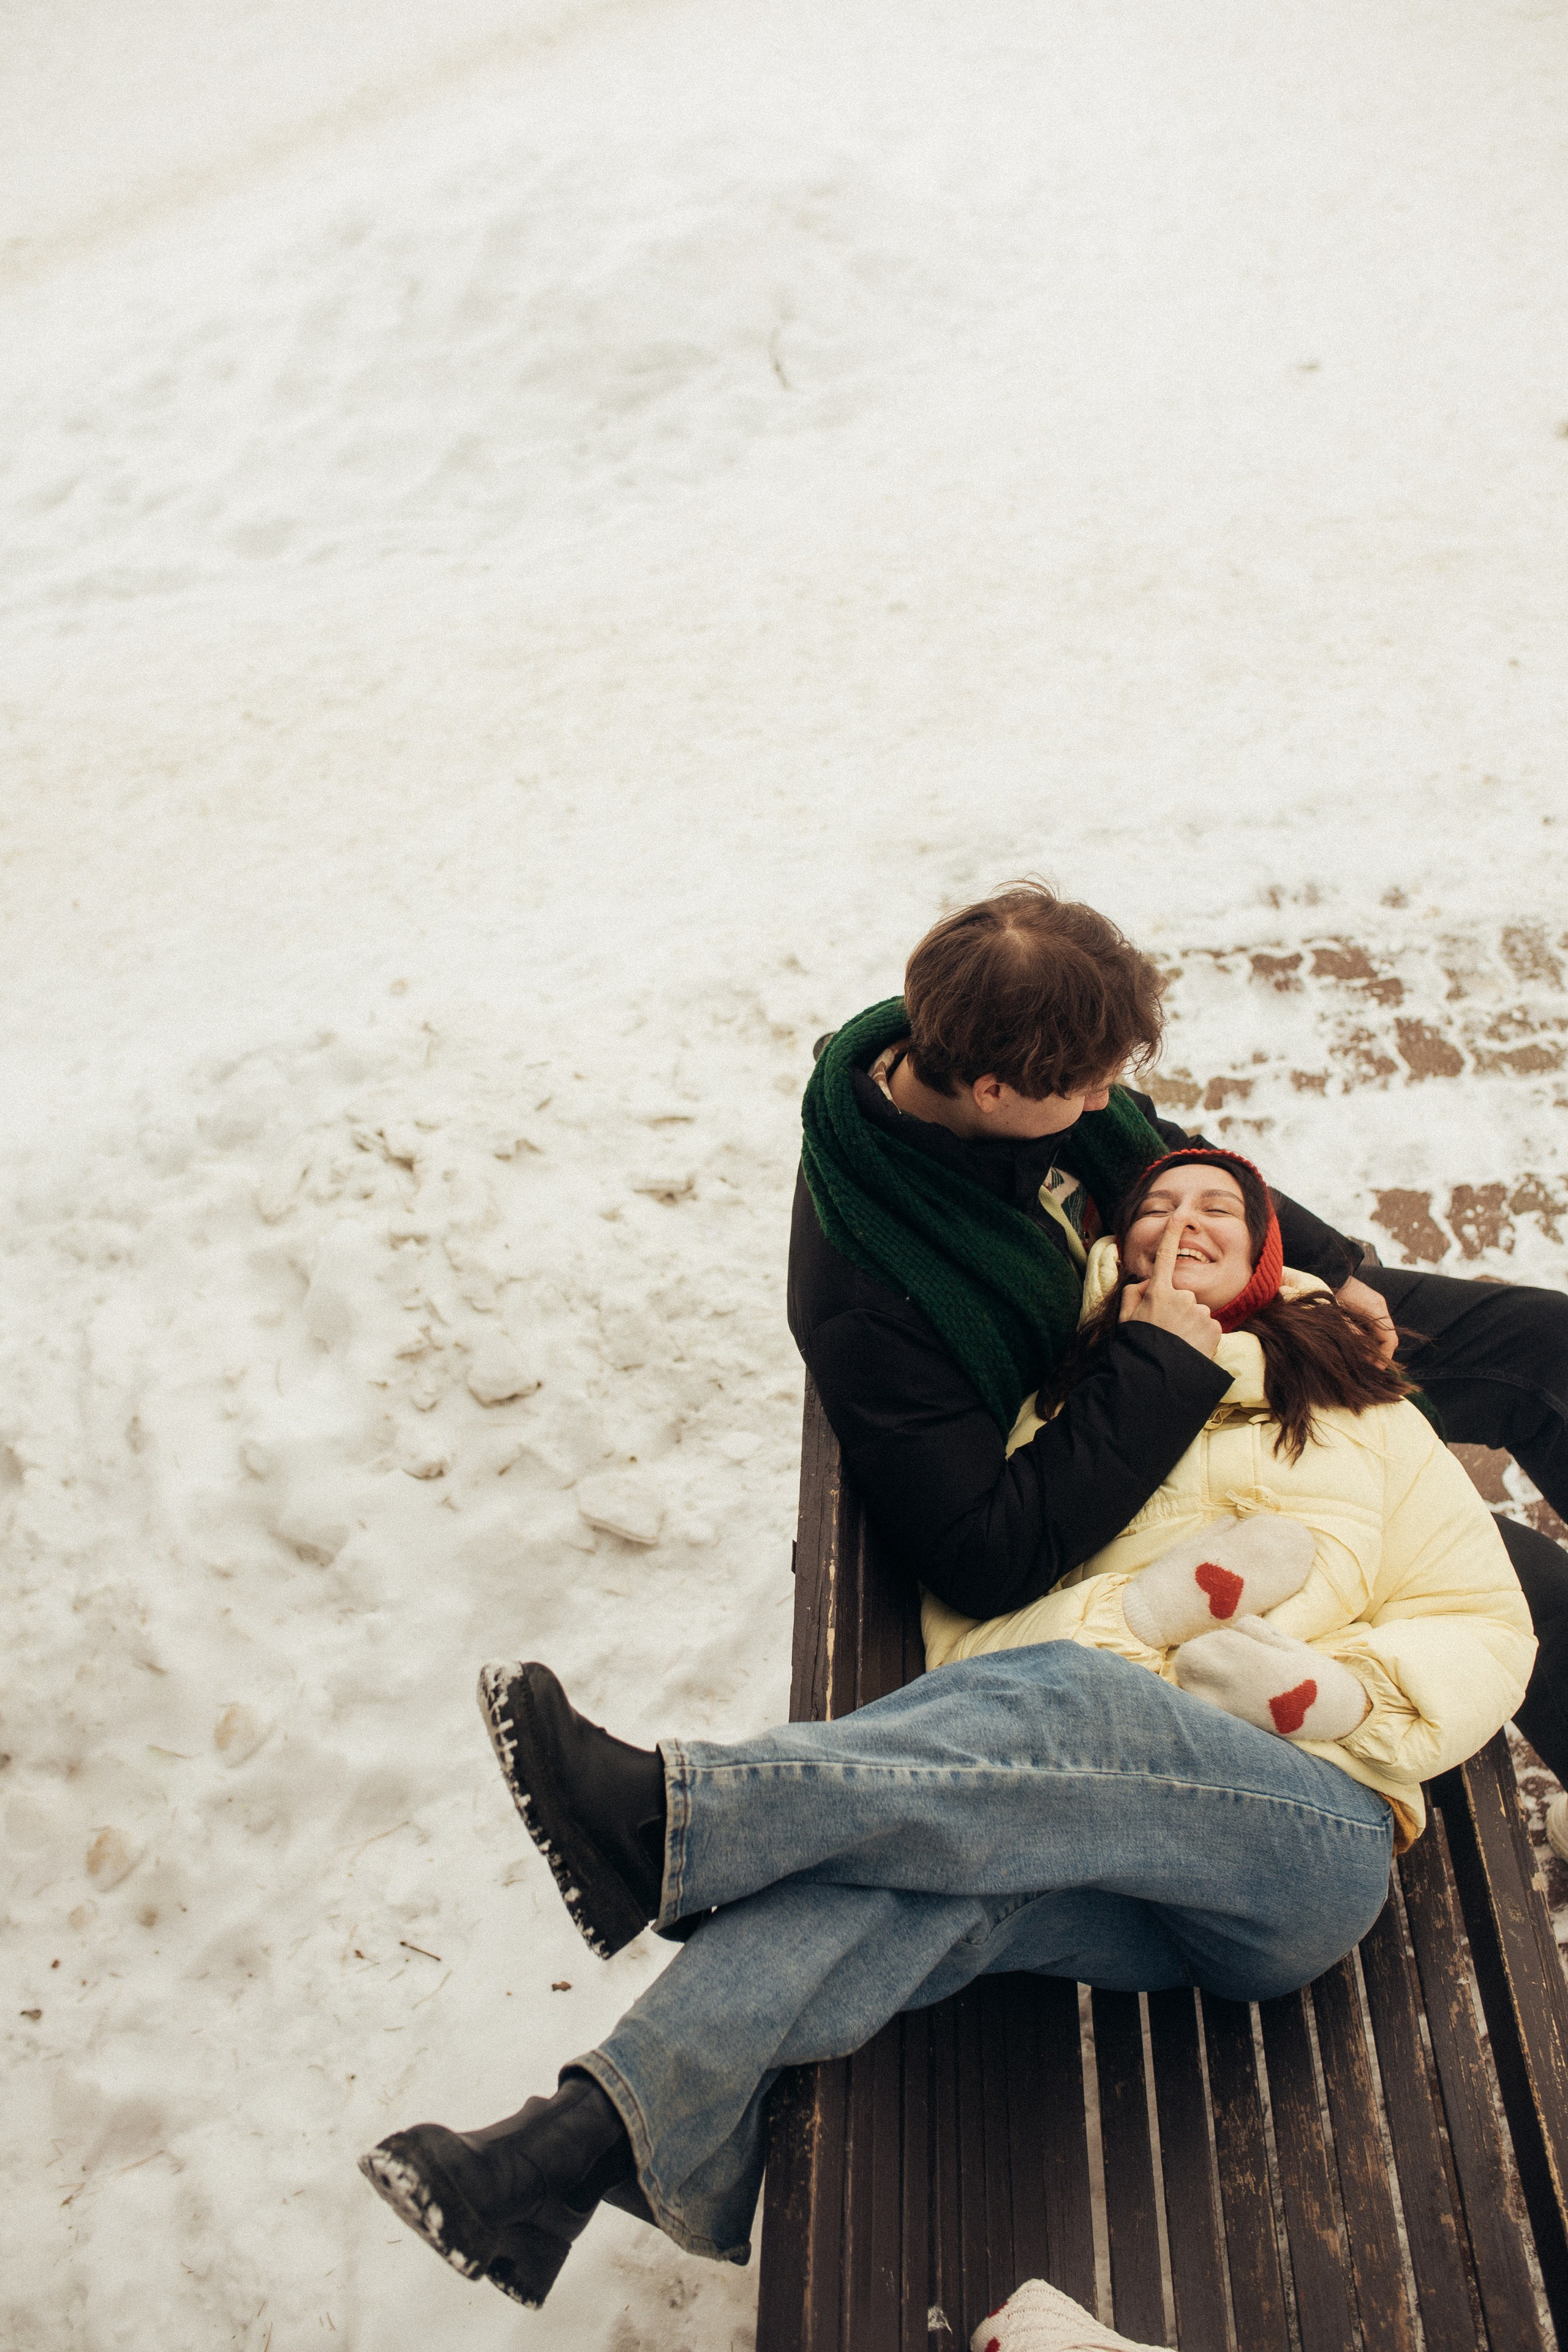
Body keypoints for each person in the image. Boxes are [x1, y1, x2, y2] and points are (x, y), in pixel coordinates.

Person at [356, 1146, 1533, 2308]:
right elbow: (974, 1662)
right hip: (1117, 1872)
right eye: (1155, 1206)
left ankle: (675, 1817)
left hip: (1305, 1840)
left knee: (1072, 1701)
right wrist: (1140, 1617)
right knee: (904, 1888)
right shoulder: (1069, 1416)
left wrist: (1345, 1694)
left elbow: (1487, 1624)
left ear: (1268, 1253)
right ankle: (573, 2147)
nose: (1183, 1223)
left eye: (1218, 1207)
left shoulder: (1364, 1418)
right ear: (1119, 1260)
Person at [787, 884, 1568, 1798]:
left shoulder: (967, 1056)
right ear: (993, 1092)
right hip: (1151, 1419)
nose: (1107, 1101)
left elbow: (1158, 1151)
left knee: (1549, 1347)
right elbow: (984, 1553)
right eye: (1086, 1089)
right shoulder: (874, 1303)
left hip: (1220, 1316)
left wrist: (1330, 1263)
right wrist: (1163, 1366)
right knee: (1537, 1592)